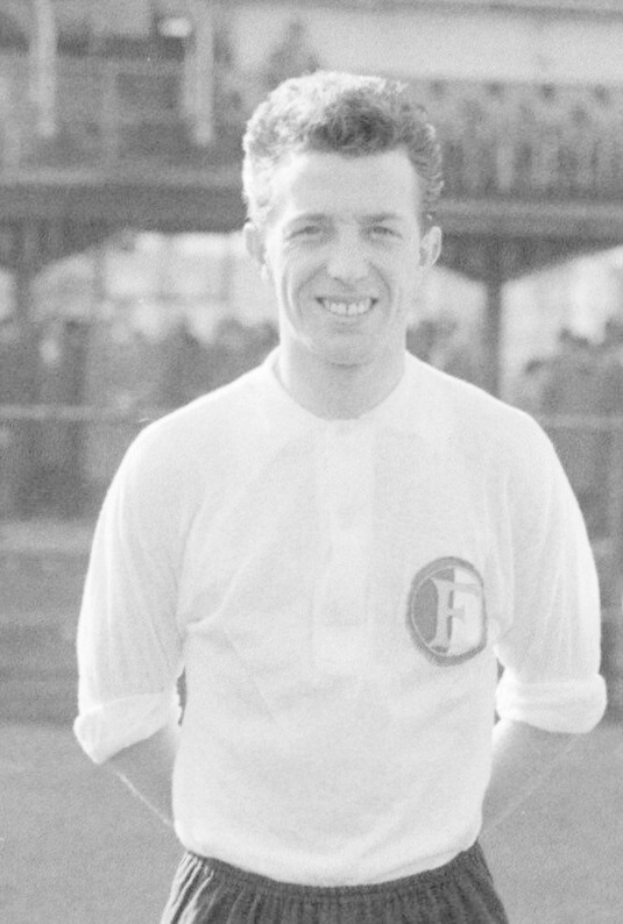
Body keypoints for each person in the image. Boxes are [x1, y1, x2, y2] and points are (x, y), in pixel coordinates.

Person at [74, 72, 607, 923]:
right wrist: (257, 855)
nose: (346, 265)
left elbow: (557, 693)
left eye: (380, 230)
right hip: (231, 898)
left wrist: (426, 842)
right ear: (259, 247)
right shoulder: (173, 463)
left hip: (441, 896)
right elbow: (121, 711)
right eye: (311, 228)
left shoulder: (504, 454)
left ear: (426, 249)